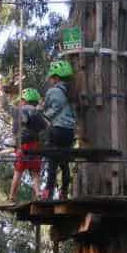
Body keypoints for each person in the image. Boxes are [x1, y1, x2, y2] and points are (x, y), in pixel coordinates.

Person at [0, 77, 48, 202]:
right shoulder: (38, 113)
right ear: (35, 102)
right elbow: (45, 126)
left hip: (21, 145)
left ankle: (12, 197)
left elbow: (5, 106)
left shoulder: (18, 110)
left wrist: (1, 91)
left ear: (23, 101)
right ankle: (38, 194)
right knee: (35, 171)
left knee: (18, 171)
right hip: (35, 145)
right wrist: (40, 109)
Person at [42, 60, 77, 200]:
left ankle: (48, 192)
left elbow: (51, 109)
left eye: (52, 78)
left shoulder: (53, 91)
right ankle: (64, 192)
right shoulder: (72, 92)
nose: (51, 81)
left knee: (52, 162)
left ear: (56, 77)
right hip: (69, 132)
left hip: (56, 129)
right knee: (64, 163)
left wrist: (43, 116)